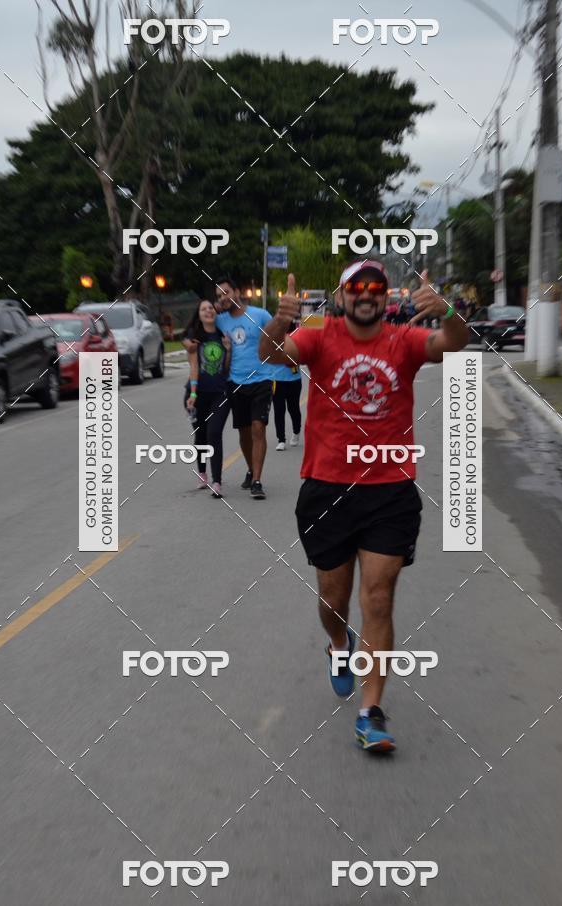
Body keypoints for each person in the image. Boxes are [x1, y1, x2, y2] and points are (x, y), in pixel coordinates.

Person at [259, 262, 469, 753]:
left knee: (378, 598)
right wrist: (278, 319)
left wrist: (449, 310)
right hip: (327, 490)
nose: (367, 295)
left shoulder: (403, 341)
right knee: (334, 601)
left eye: (376, 287)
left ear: (385, 296)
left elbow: (453, 344)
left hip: (389, 491)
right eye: (357, 288)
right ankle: (338, 645)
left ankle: (371, 711)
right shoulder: (318, 336)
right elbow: (269, 354)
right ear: (343, 295)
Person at [213, 276, 274, 500]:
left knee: (259, 427)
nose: (223, 298)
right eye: (219, 296)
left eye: (226, 293)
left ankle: (257, 480)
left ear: (237, 292)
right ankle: (251, 468)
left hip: (262, 379)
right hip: (235, 383)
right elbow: (201, 328)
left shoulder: (260, 315)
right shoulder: (220, 321)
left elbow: (277, 336)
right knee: (244, 432)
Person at [185, 300, 231, 499]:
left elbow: (226, 368)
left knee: (214, 433)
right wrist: (193, 394)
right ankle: (202, 473)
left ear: (215, 312)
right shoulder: (194, 339)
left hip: (220, 393)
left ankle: (217, 482)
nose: (208, 311)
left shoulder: (223, 336)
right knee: (201, 435)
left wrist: (228, 350)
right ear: (199, 314)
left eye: (211, 308)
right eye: (203, 309)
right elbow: (194, 367)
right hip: (198, 393)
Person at [271, 328, 302, 450]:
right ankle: (281, 439)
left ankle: (296, 431)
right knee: (279, 410)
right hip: (277, 381)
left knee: (293, 408)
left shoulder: (296, 337)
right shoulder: (272, 338)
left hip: (294, 379)